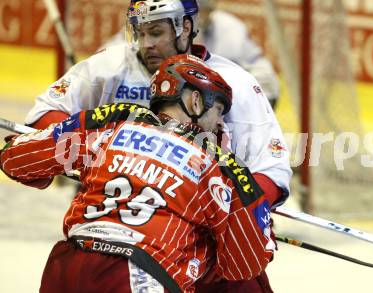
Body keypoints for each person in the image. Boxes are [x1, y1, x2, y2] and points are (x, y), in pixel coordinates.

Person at [24, 1, 291, 291]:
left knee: (246, 283)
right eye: (139, 32)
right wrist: (88, 154)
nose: (145, 43)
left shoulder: (235, 83)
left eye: (155, 32)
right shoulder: (108, 67)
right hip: (119, 230)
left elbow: (271, 167)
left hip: (204, 236)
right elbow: (44, 116)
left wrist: (236, 211)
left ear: (185, 27)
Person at [102, 0, 280, 108]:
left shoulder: (231, 28)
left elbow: (266, 79)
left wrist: (225, 98)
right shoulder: (149, 28)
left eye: (205, 10)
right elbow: (104, 64)